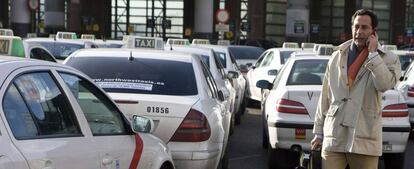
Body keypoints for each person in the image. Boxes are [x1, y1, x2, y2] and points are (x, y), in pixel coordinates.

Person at [311, 9, 401, 169]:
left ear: (374, 32)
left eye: (364, 27)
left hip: (364, 137)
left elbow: (384, 84)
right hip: (334, 136)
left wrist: (373, 55)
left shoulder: (388, 58)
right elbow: (325, 96)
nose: (359, 32)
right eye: (356, 26)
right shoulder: (337, 55)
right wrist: (318, 132)